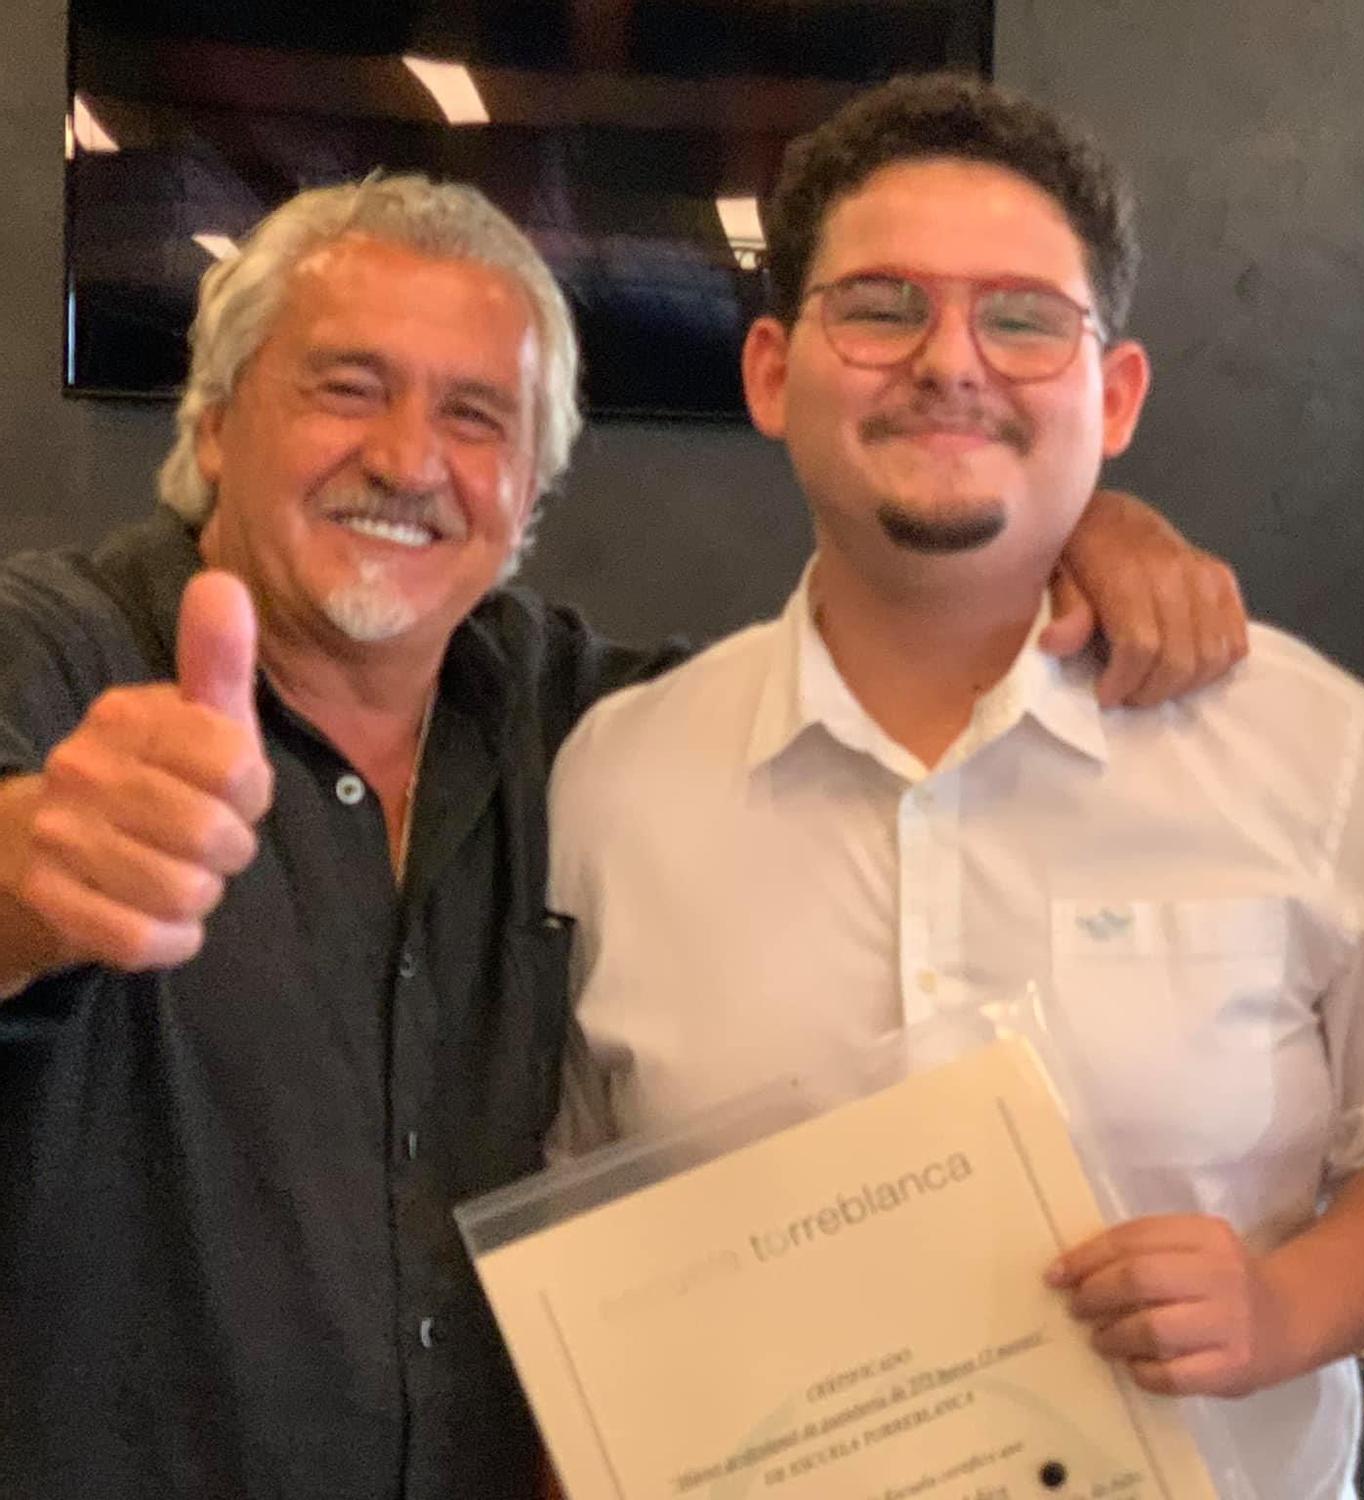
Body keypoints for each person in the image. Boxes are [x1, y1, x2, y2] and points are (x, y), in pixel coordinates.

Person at [0, 175, 1245, 1500]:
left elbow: (874, 673)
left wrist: (1077, 529)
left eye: (477, 416)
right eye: (347, 388)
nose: (410, 459)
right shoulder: (49, 654)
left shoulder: (597, 726)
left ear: (530, 491)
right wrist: (22, 892)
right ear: (213, 417)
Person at [548, 74, 1364, 1500]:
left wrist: (1280, 1313)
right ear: (774, 371)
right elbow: (583, 1222)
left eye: (1023, 317)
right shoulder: (617, 782)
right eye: (882, 305)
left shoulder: (1320, 748)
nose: (950, 361)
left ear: (1117, 393)